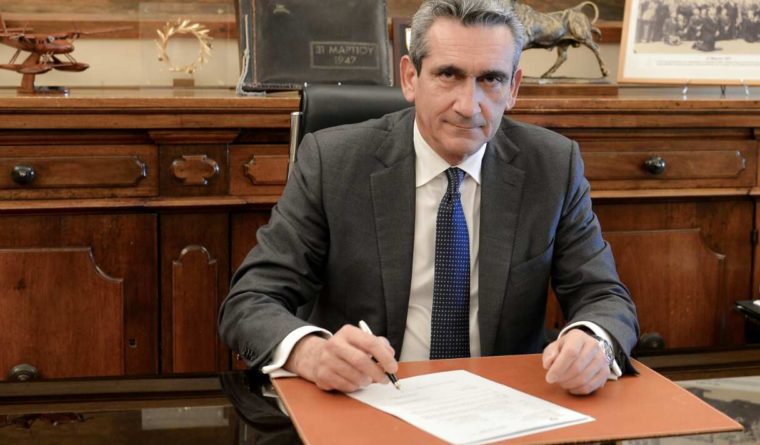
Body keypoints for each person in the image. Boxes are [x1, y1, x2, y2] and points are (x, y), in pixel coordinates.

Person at [218, 0, 638, 396]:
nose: (468, 106)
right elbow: (250, 300)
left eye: (490, 79)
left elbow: (604, 297)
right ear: (410, 78)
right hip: (369, 399)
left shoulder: (552, 165)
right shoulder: (333, 162)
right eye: (448, 75)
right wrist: (311, 353)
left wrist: (594, 343)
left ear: (513, 87)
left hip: (504, 405)